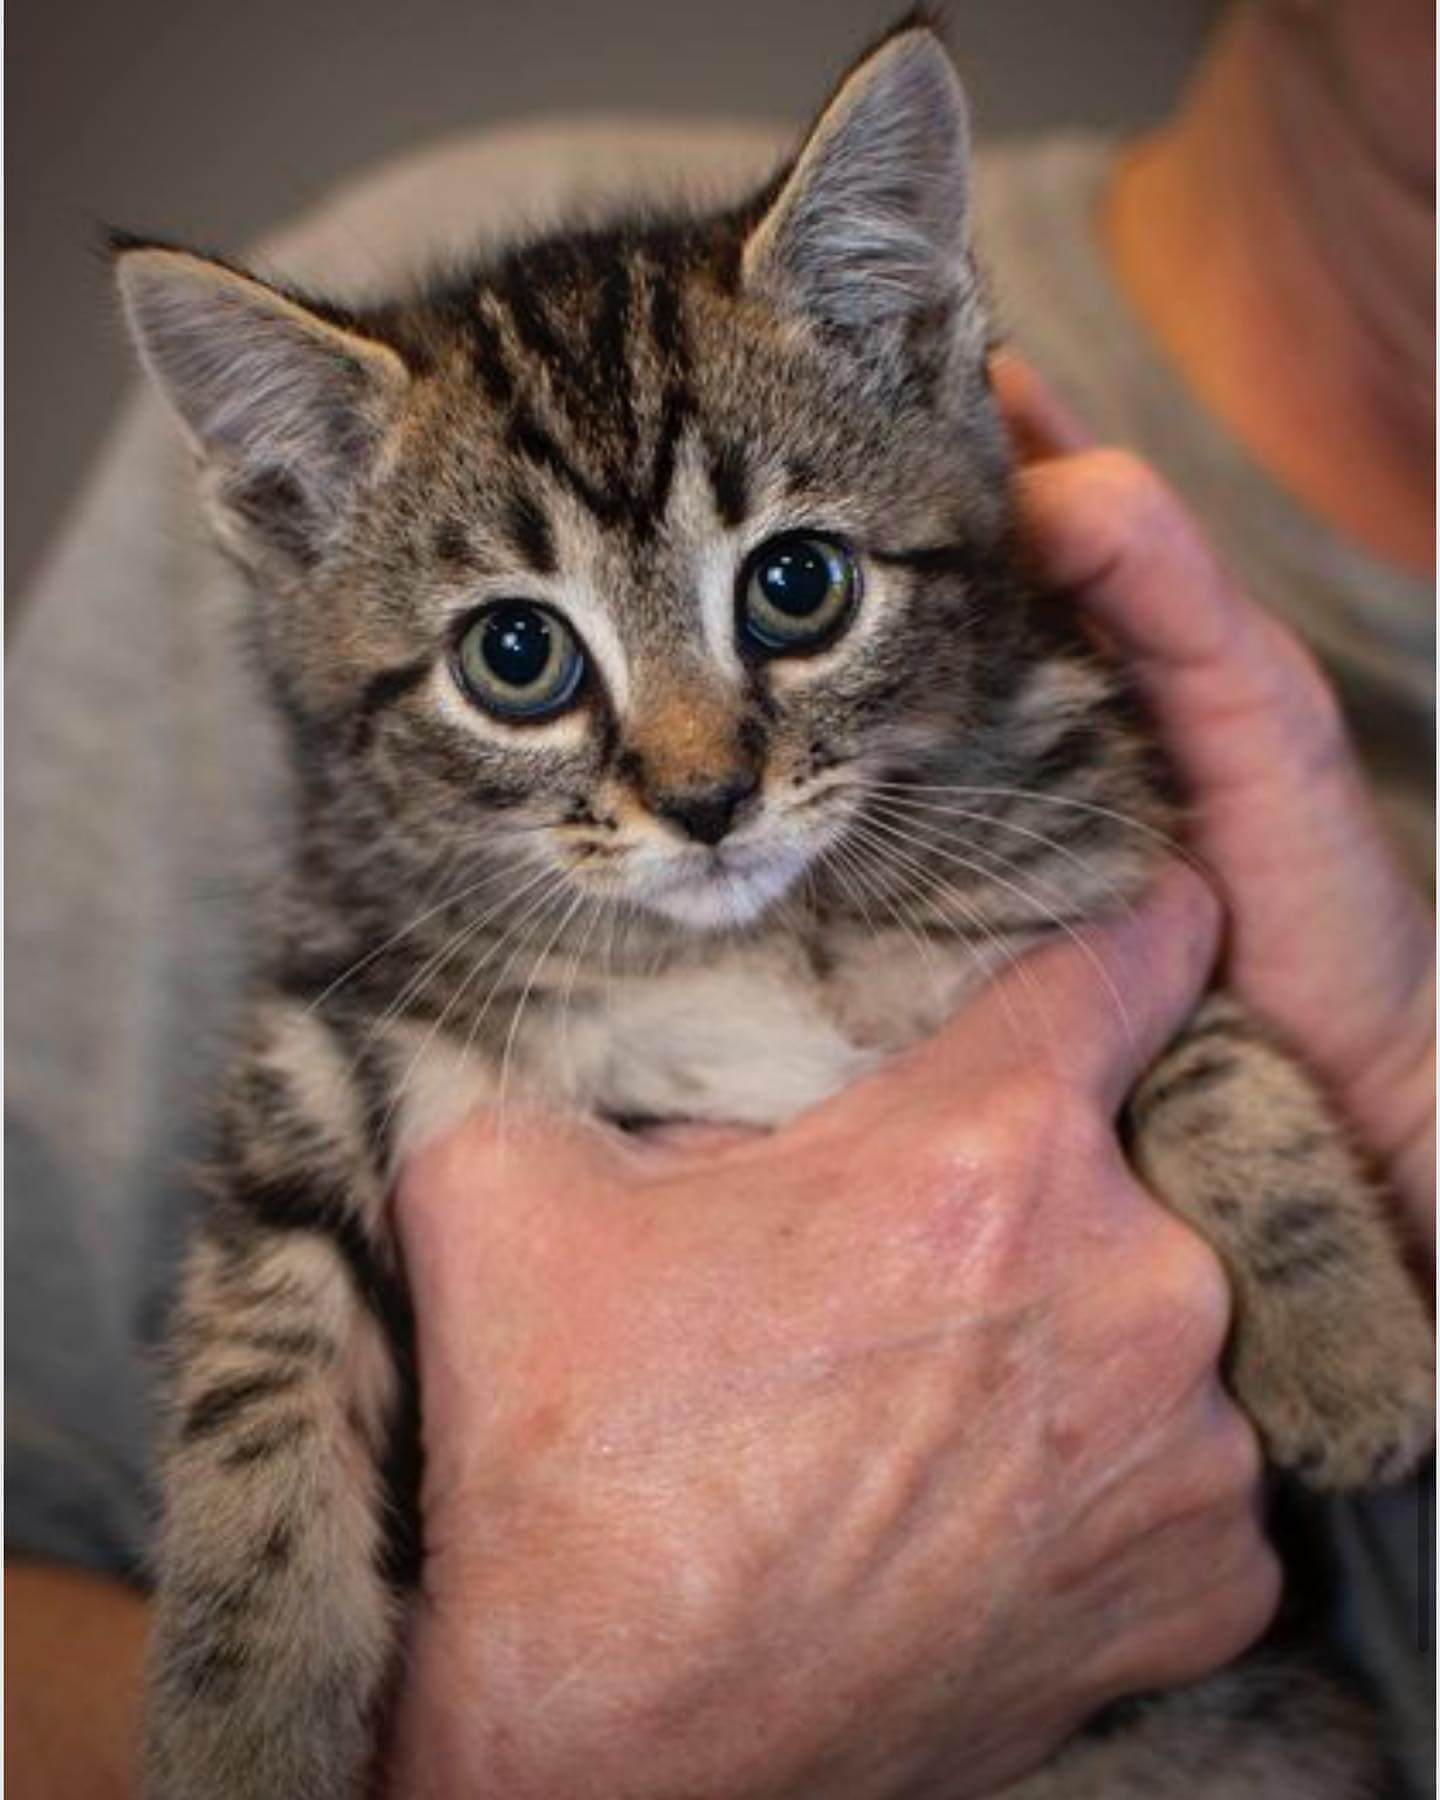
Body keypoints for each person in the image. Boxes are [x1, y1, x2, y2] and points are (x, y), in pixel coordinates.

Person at [6, 1, 1432, 1793]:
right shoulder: (431, 961)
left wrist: (1389, 1117)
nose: (695, 772)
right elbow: (287, 1246)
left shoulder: (1012, 780)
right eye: (524, 656)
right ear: (298, 522)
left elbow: (1174, 1029)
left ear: (916, 348)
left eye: (794, 592)